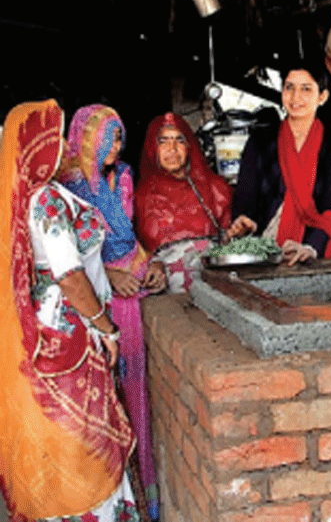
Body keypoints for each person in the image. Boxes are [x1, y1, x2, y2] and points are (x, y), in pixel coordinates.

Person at [0, 100, 139, 521]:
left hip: (48, 330)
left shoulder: (29, 195)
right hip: (69, 332)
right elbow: (69, 275)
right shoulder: (45, 201)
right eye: (56, 137)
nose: (64, 146)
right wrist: (106, 327)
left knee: (60, 435)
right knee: (80, 441)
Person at [61, 104, 165, 522]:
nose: (115, 146)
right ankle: (112, 498)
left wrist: (149, 265)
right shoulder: (67, 186)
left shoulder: (122, 175)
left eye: (120, 137)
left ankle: (144, 494)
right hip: (96, 293)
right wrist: (107, 273)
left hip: (133, 275)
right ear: (85, 138)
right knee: (108, 394)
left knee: (140, 389)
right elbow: (66, 258)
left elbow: (128, 237)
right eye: (108, 137)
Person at [227, 57, 331, 265]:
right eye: (289, 87)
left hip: (312, 248)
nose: (296, 97)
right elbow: (245, 195)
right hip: (263, 249)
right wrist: (244, 220)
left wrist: (312, 247)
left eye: (306, 89)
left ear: (322, 96)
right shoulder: (261, 140)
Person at [135, 112, 233, 292]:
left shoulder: (215, 188)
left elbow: (230, 242)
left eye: (179, 140)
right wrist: (152, 263)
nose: (172, 148)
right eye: (163, 141)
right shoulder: (140, 197)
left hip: (216, 291)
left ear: (189, 146)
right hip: (170, 299)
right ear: (152, 148)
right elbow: (132, 250)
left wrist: (234, 234)